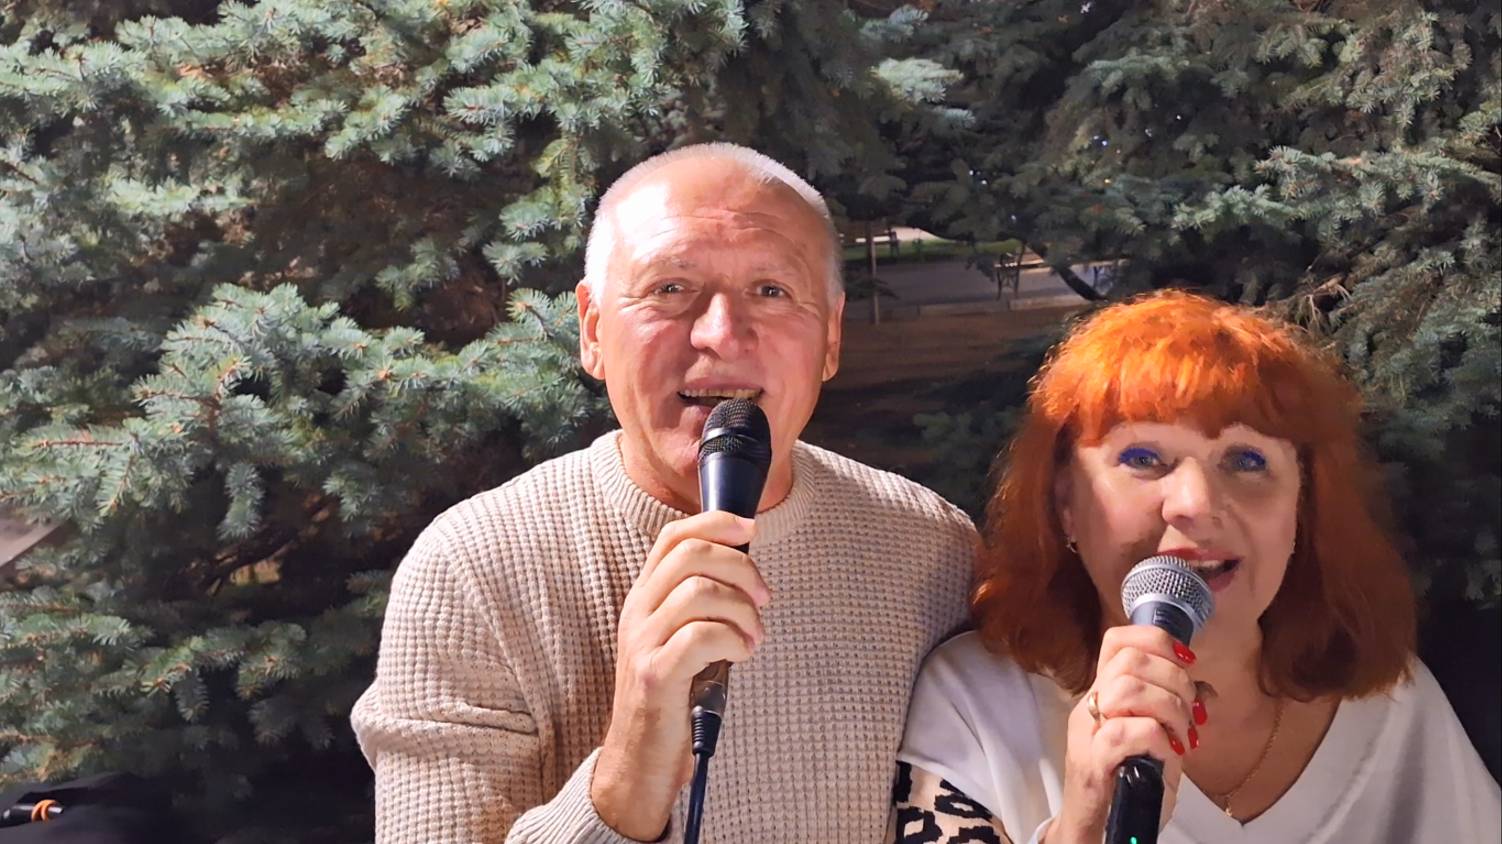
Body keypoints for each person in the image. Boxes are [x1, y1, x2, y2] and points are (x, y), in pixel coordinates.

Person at [350, 142, 977, 843]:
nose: (720, 336)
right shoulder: (471, 570)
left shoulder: (933, 551)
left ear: (830, 336)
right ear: (593, 330)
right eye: (670, 289)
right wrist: (627, 771)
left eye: (771, 291)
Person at [892, 291, 1501, 843]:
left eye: (1246, 461)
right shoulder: (975, 707)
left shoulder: (1392, 705)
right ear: (1065, 505)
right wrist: (1083, 823)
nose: (1196, 503)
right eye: (1143, 458)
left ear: (1302, 511)